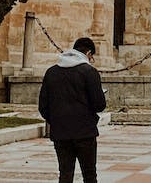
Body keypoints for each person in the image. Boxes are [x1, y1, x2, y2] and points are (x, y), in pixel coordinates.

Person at [38, 35, 107, 183]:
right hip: (85, 132)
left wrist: (56, 120)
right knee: (89, 175)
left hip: (60, 132)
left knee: (65, 174)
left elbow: (43, 106)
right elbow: (99, 104)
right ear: (88, 53)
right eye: (92, 57)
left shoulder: (51, 72)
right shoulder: (89, 72)